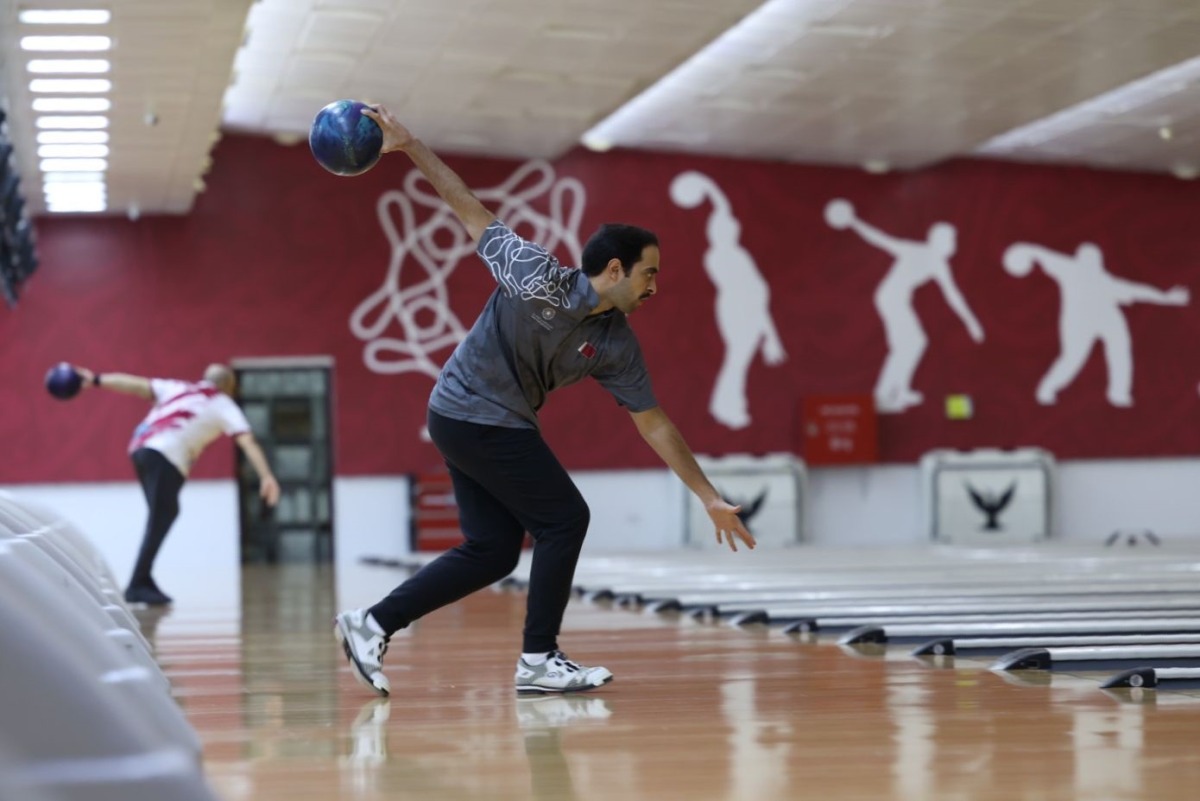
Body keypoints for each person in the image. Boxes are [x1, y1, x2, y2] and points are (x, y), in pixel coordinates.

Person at [334, 105, 757, 698]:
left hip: (469, 419)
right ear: (614, 269)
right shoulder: (534, 273)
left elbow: (655, 424)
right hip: (473, 412)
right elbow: (467, 208)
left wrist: (709, 496)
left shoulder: (615, 344)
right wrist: (409, 146)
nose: (655, 287)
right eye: (648, 275)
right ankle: (538, 659)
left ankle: (370, 623)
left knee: (493, 550)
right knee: (565, 518)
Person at [73, 363, 281, 605]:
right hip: (165, 454)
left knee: (162, 513)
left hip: (141, 448)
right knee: (163, 514)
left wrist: (97, 379)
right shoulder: (223, 403)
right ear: (229, 386)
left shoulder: (177, 388)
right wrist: (266, 475)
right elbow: (247, 441)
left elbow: (134, 384)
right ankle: (138, 583)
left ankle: (144, 578)